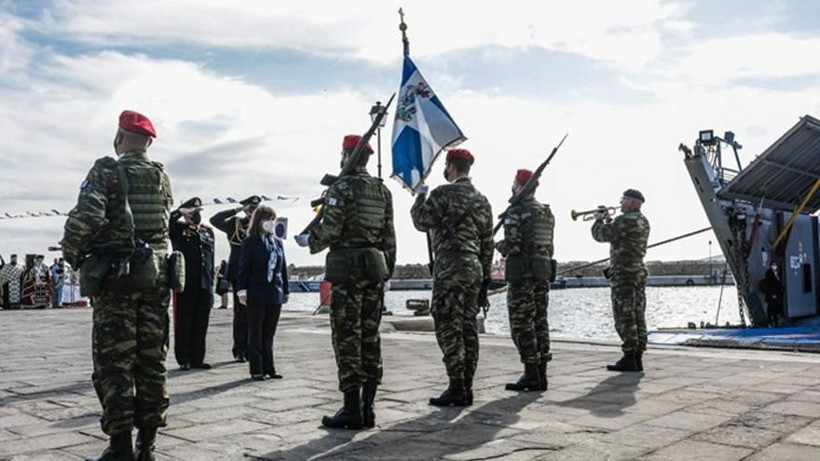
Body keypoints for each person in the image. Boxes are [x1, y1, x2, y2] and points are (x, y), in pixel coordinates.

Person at [61, 110, 173, 460]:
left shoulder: (107, 170)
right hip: (155, 278)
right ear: (149, 143)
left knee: (115, 363)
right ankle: (148, 446)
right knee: (152, 361)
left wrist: (73, 255)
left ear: (119, 138)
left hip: (118, 281)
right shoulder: (161, 177)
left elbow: (86, 218)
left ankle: (121, 446)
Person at [295, 134, 396, 430]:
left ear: (345, 155)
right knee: (370, 337)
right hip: (374, 272)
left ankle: (352, 407)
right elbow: (389, 236)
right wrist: (386, 272)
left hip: (348, 273)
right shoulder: (382, 191)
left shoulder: (341, 187)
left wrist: (309, 241)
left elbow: (332, 230)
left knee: (347, 338)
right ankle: (369, 407)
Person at [410, 148, 494, 407]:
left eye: (446, 166)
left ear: (451, 166)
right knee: (469, 325)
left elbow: (421, 221)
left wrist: (419, 198)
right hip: (474, 268)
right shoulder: (482, 200)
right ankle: (467, 385)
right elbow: (488, 242)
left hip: (450, 267)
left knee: (448, 323)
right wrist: (485, 277)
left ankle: (456, 384)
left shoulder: (442, 193)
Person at [495, 169, 554, 392]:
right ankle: (542, 374)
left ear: (518, 186)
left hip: (522, 276)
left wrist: (497, 245)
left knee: (521, 324)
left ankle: (530, 373)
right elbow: (549, 246)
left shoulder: (517, 211)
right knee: (540, 320)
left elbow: (512, 246)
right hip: (541, 273)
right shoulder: (546, 213)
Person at [592, 189, 650, 372]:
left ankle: (629, 356)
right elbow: (620, 234)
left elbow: (601, 235)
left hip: (624, 274)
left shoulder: (624, 220)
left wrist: (598, 219)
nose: (621, 203)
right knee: (637, 314)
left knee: (624, 315)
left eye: (624, 200)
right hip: (638, 272)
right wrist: (610, 220)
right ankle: (637, 355)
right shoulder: (642, 221)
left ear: (633, 202)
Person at [236, 205, 289, 381]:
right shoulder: (250, 242)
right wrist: (241, 291)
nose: (271, 222)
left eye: (273, 219)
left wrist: (286, 291)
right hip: (257, 291)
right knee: (256, 331)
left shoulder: (278, 242)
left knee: (269, 333)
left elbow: (282, 268)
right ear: (259, 220)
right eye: (268, 219)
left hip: (275, 292)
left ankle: (270, 367)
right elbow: (243, 268)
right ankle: (256, 369)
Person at [210, 195, 261, 362]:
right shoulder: (235, 223)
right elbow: (215, 219)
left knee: (257, 313)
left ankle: (253, 349)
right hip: (239, 273)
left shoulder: (261, 224)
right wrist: (237, 210)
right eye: (250, 207)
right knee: (241, 313)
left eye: (256, 207)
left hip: (257, 273)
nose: (253, 210)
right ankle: (240, 349)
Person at [169, 197, 216, 371]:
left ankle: (198, 358)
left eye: (198, 212)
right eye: (193, 212)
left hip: (204, 283)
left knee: (201, 323)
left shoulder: (207, 232)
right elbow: (167, 222)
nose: (196, 215)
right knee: (184, 322)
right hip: (186, 283)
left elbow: (210, 257)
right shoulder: (178, 229)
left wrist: (211, 281)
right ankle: (184, 359)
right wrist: (180, 213)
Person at [759, 260, 784, 327]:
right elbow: (772, 283)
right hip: (772, 293)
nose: (775, 266)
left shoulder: (778, 273)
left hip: (775, 293)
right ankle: (771, 321)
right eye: (773, 265)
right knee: (772, 308)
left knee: (775, 307)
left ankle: (774, 321)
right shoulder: (769, 273)